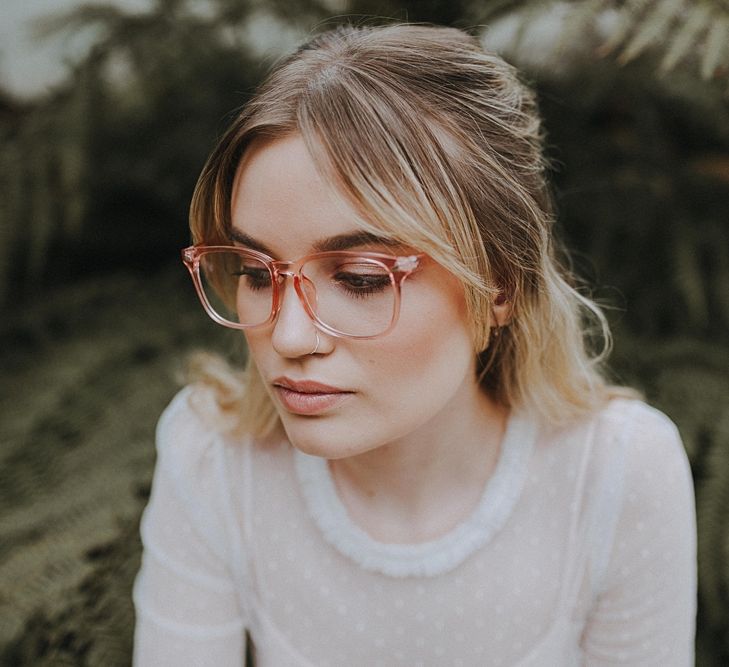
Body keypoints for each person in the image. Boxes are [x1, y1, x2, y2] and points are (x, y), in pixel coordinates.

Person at [132, 23, 696, 666]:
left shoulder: (616, 474)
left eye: (360, 279)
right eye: (257, 274)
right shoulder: (213, 458)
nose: (289, 335)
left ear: (501, 285)